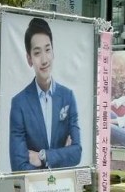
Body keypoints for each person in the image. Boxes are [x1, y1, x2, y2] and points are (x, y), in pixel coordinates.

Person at [9, 17, 81, 171]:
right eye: (37, 53)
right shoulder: (19, 103)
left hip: (64, 184)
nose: (44, 60)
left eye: (48, 50)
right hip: (33, 185)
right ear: (29, 59)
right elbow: (18, 164)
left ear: (53, 52)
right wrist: (62, 155)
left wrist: (43, 156)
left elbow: (76, 152)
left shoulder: (67, 97)